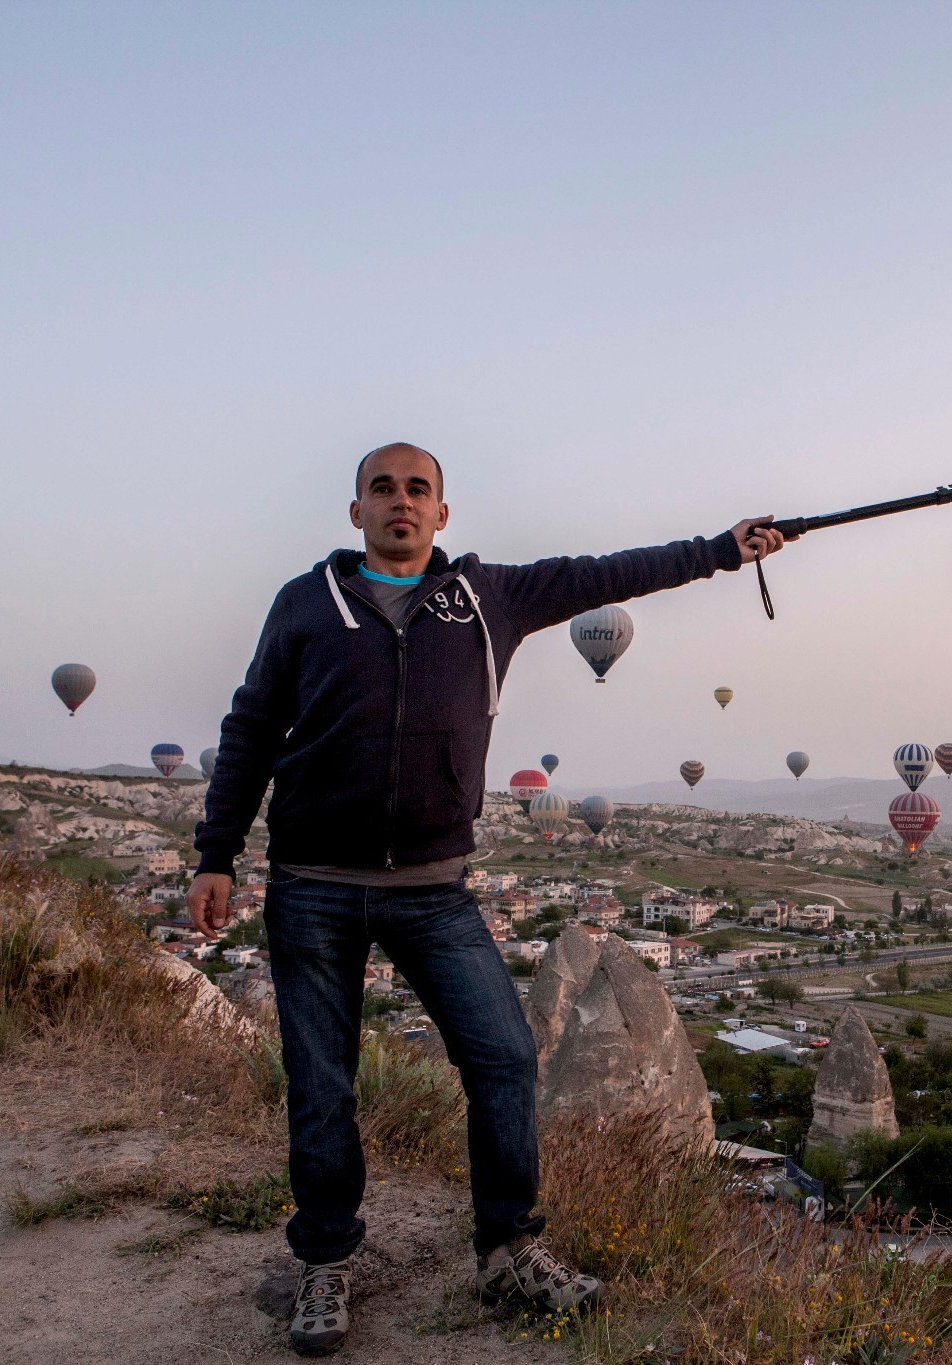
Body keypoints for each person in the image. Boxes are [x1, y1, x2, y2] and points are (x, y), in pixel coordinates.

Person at [186, 442, 788, 1356]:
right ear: (355, 513)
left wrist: (719, 547)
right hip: (314, 886)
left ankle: (508, 1249)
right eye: (382, 490)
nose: (400, 503)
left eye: (416, 489)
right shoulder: (307, 603)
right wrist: (216, 851)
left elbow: (606, 573)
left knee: (506, 1059)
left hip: (434, 889)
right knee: (320, 1087)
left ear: (442, 511)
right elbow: (250, 723)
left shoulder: (487, 598)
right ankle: (324, 1261)